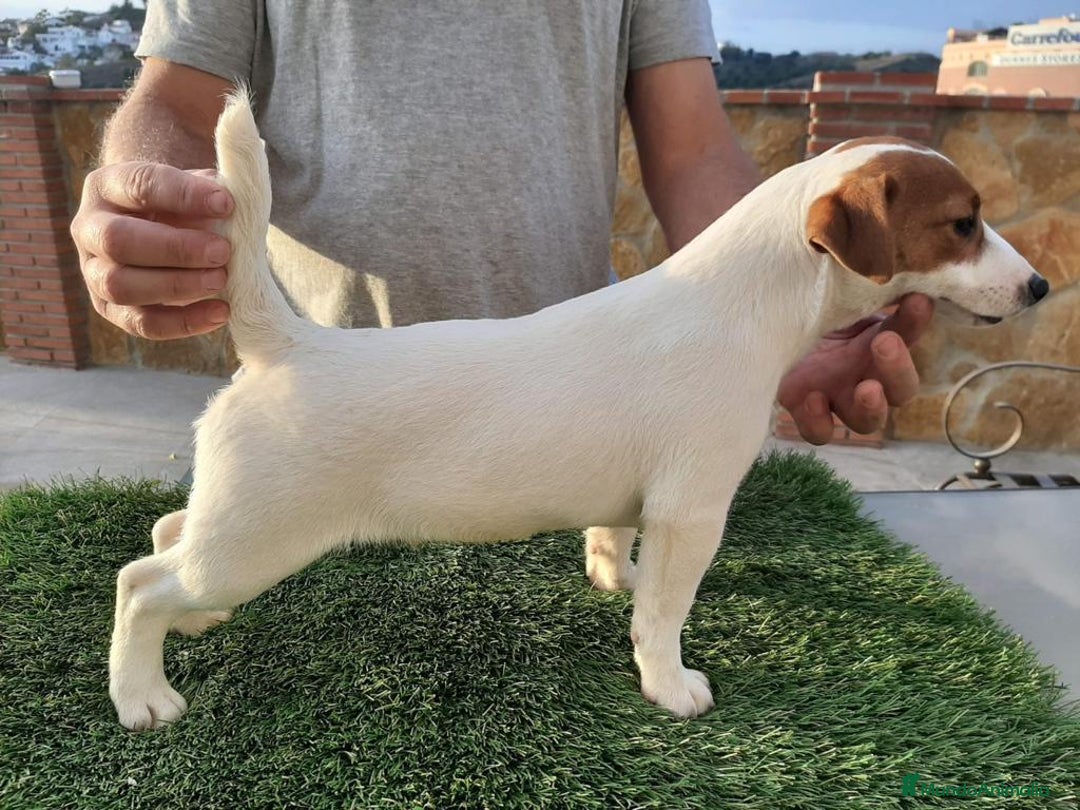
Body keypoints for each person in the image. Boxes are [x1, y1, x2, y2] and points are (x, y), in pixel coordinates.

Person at [72, 1, 932, 445]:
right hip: (324, 393)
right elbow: (179, 101)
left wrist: (781, 317)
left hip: (577, 399)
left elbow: (692, 148)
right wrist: (145, 199)